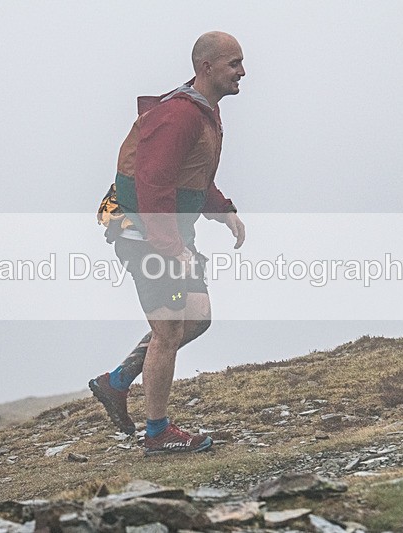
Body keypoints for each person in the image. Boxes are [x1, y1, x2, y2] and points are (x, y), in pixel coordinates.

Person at [89, 31, 247, 455]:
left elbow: (193, 172)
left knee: (196, 317)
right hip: (143, 230)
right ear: (206, 67)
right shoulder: (180, 115)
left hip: (171, 229)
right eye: (234, 64)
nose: (243, 72)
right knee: (169, 327)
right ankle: (157, 433)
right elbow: (153, 181)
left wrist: (223, 209)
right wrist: (168, 244)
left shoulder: (205, 112)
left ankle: (116, 382)